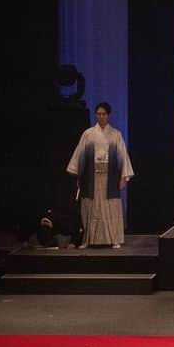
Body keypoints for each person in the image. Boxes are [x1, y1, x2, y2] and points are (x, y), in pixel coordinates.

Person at [65, 101, 134, 249]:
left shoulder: (115, 134)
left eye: (104, 114)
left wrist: (123, 177)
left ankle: (114, 238)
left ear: (108, 115)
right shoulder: (88, 134)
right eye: (98, 114)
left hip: (110, 176)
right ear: (96, 115)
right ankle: (88, 239)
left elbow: (122, 155)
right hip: (91, 176)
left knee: (110, 206)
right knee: (91, 207)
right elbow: (80, 155)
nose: (101, 116)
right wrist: (79, 175)